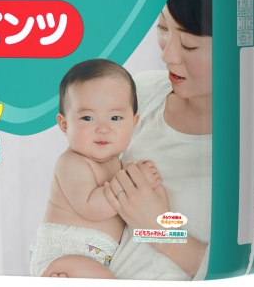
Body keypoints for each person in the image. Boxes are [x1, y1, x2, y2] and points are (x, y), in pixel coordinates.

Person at [103, 0, 213, 280]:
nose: (168, 55)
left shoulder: (250, 143)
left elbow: (239, 263)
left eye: (190, 45)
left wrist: (158, 227)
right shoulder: (142, 93)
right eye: (163, 27)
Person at [29, 59, 167, 278]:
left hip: (97, 258)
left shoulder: (124, 167)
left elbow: (151, 213)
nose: (103, 128)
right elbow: (92, 208)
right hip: (64, 254)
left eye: (115, 117)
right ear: (65, 124)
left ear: (134, 122)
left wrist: (149, 185)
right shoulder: (71, 163)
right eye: (87, 118)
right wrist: (132, 182)